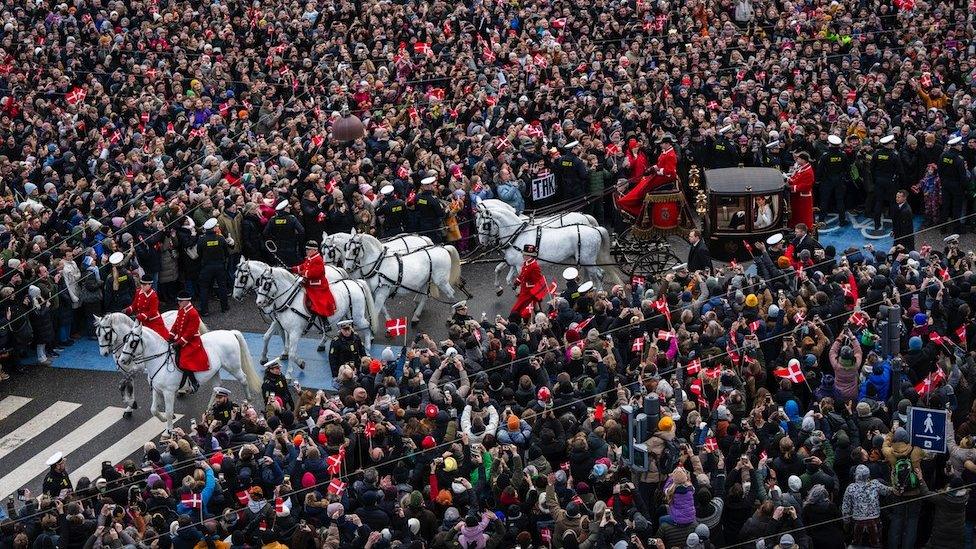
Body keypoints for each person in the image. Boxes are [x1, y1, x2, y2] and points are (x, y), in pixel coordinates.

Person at [616, 134, 679, 218]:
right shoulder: (665, 152)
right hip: (656, 175)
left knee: (644, 186)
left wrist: (656, 171)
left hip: (665, 178)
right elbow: (660, 164)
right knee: (643, 184)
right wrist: (653, 168)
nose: (660, 145)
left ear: (667, 144)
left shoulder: (670, 155)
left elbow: (670, 171)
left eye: (662, 143)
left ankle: (637, 207)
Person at [168, 291, 209, 393]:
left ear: (187, 301)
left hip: (191, 341)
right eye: (179, 301)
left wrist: (179, 342)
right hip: (182, 338)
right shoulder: (182, 309)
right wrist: (170, 336)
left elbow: (190, 332)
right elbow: (176, 324)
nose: (179, 303)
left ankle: (194, 382)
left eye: (181, 301)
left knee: (185, 360)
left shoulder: (193, 313)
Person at [293, 241, 337, 322]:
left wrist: (300, 273)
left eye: (309, 249)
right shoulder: (310, 258)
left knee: (318, 302)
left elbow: (313, 273)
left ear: (315, 250)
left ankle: (324, 321)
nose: (306, 251)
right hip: (309, 284)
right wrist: (293, 269)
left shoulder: (318, 259)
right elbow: (303, 266)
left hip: (318, 286)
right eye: (306, 249)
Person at [196, 218, 230, 317]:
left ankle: (204, 310)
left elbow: (199, 253)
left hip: (206, 267)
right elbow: (226, 252)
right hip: (219, 266)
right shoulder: (220, 238)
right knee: (222, 286)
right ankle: (224, 307)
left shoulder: (202, 240)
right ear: (214, 228)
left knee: (204, 288)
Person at [870, 135, 902, 236]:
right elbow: (900, 170)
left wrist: (876, 178)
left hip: (879, 181)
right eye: (892, 143)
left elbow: (872, 168)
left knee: (878, 202)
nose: (893, 145)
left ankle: (876, 224)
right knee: (893, 203)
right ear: (888, 144)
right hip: (890, 182)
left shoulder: (877, 154)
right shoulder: (894, 155)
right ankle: (895, 224)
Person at [817, 135, 851, 224]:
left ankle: (821, 220)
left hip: (827, 180)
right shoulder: (843, 155)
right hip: (839, 180)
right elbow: (847, 169)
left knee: (824, 201)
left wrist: (818, 180)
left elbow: (820, 170)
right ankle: (842, 220)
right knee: (840, 201)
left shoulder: (825, 156)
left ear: (830, 144)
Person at [938, 135, 968, 234]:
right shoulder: (959, 159)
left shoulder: (943, 155)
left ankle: (943, 228)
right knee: (956, 208)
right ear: (956, 146)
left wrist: (943, 181)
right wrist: (965, 187)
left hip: (945, 184)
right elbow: (963, 176)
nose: (961, 146)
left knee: (945, 206)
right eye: (960, 145)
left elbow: (940, 171)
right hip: (957, 186)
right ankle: (956, 229)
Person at [124, 274, 169, 339]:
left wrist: (141, 316)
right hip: (141, 320)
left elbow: (153, 312)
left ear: (150, 285)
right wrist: (128, 309)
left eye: (144, 285)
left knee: (158, 338)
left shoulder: (153, 296)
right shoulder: (139, 292)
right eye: (141, 284)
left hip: (152, 321)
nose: (142, 286)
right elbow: (134, 305)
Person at [509, 244, 547, 322]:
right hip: (524, 290)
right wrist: (516, 283)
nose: (523, 256)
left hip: (529, 292)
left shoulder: (534, 266)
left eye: (525, 254)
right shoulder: (526, 263)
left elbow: (537, 281)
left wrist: (536, 294)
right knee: (529, 308)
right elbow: (522, 275)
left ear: (530, 256)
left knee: (517, 308)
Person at [264, 200, 305, 266]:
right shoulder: (292, 218)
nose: (289, 209)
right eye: (288, 208)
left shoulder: (273, 220)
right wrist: (296, 239)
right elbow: (302, 231)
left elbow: (266, 233)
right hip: (291, 245)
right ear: (285, 209)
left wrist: (274, 238)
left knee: (282, 265)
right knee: (294, 265)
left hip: (278, 246)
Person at [414, 177, 446, 243]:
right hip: (433, 227)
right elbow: (441, 214)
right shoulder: (433, 199)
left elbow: (416, 208)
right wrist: (446, 210)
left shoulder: (418, 197)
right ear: (430, 186)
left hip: (422, 225)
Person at [787, 151, 815, 229]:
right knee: (797, 213)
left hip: (803, 198)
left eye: (798, 159)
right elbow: (797, 178)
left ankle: (804, 229)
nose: (797, 160)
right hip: (798, 197)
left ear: (803, 160)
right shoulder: (802, 169)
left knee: (802, 214)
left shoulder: (808, 172)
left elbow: (805, 186)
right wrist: (789, 180)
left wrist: (792, 187)